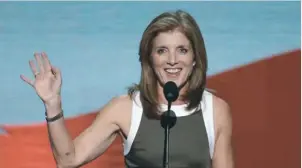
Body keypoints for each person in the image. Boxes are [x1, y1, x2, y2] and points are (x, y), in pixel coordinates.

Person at [20, 10, 234, 168]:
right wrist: (52, 104)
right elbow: (68, 160)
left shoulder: (215, 110)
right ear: (149, 58)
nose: (172, 60)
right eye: (162, 51)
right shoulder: (125, 109)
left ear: (195, 58)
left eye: (182, 50)